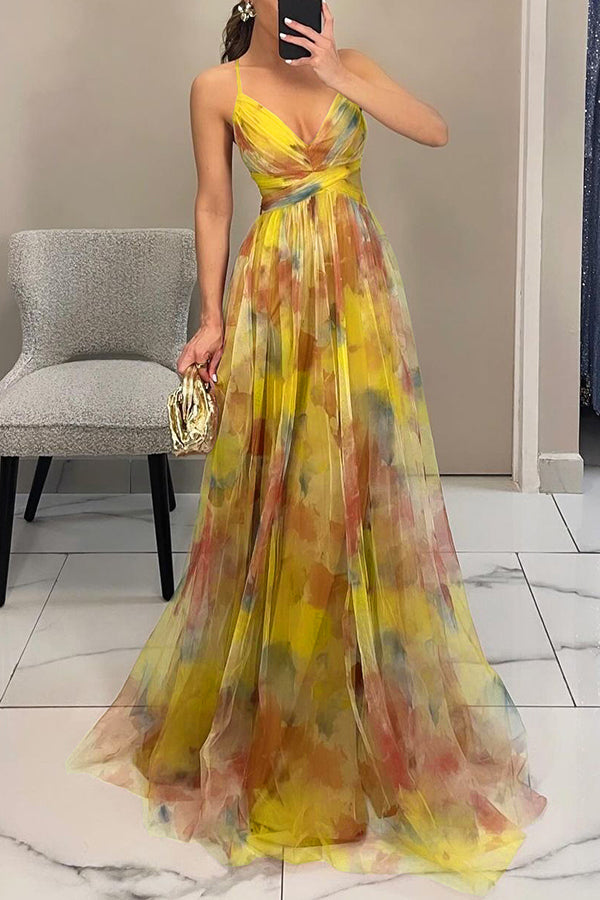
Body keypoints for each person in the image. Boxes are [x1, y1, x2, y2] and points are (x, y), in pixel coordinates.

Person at [66, 2, 547, 894]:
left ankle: (363, 689)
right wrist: (211, 318)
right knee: (280, 489)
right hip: (274, 297)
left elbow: (433, 130)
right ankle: (279, 700)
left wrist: (334, 71)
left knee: (362, 484)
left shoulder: (349, 61)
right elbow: (214, 203)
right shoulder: (216, 87)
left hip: (359, 296)